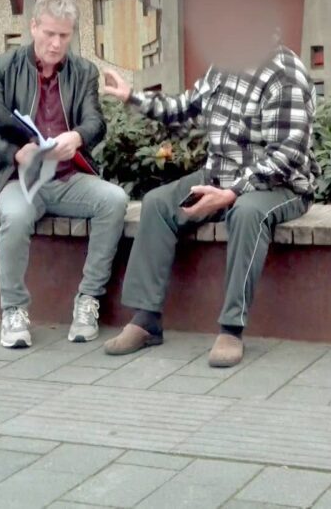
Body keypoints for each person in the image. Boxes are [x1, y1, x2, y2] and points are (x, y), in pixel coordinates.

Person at [99, 34, 318, 368]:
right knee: (158, 203)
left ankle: (231, 328)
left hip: (280, 185)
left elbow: (288, 154)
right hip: (219, 176)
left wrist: (233, 193)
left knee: (246, 213)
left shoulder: (286, 73)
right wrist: (133, 97)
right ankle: (146, 319)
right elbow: (187, 108)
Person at [0, 0, 129, 349]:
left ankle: (88, 300)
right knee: (15, 217)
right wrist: (16, 154)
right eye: (49, 34)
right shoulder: (4, 67)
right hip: (19, 179)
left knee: (114, 200)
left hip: (66, 177)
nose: (56, 44)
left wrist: (78, 136)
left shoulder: (83, 71)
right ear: (33, 27)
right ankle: (13, 310)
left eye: (64, 35)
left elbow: (95, 122)